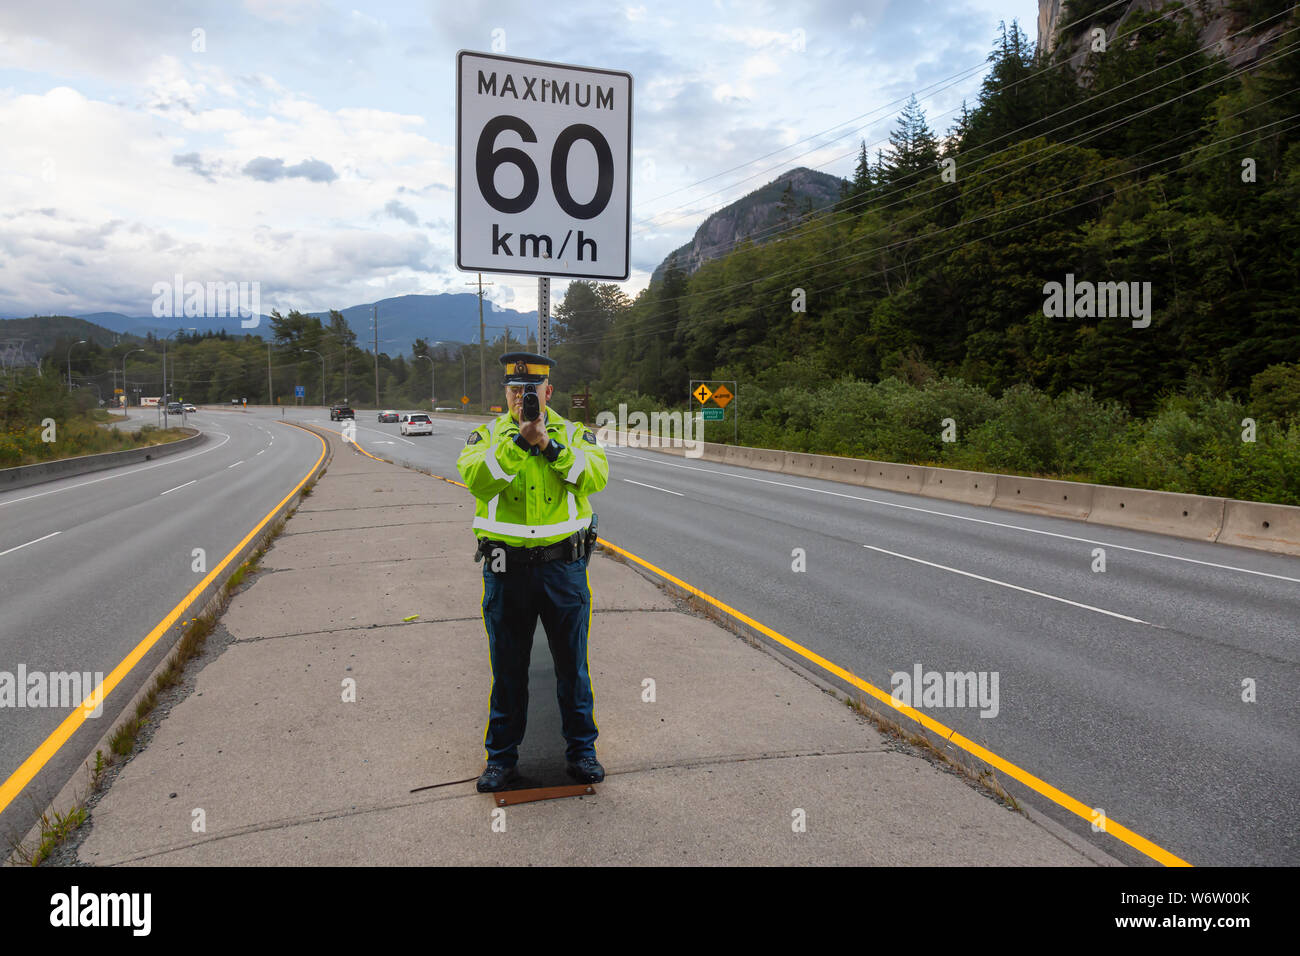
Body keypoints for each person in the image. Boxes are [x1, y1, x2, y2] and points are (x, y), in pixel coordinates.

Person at [456, 351, 609, 792]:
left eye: (532, 390)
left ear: (549, 391)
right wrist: (522, 442)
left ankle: (582, 753)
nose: (524, 397)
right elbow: (479, 481)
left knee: (572, 669)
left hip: (565, 570)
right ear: (505, 393)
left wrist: (548, 444)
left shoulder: (576, 434)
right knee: (507, 671)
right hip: (506, 571)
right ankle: (501, 761)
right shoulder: (486, 436)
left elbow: (595, 477)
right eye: (515, 390)